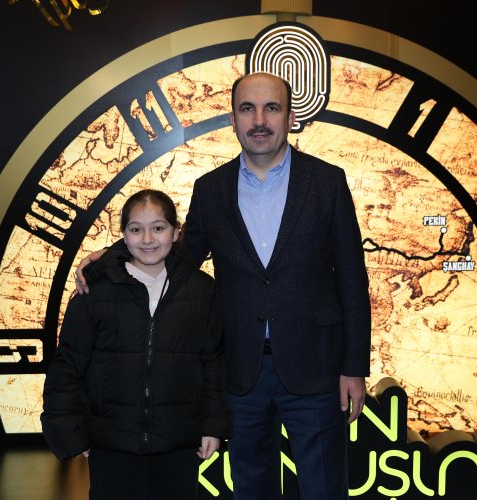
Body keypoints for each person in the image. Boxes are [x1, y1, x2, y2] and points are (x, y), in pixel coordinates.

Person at [75, 73, 371, 499]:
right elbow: (177, 256)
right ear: (233, 118)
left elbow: (352, 279)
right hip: (239, 370)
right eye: (247, 109)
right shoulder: (211, 189)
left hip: (318, 368)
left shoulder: (327, 182)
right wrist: (112, 255)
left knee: (324, 489)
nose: (259, 120)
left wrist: (354, 367)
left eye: (271, 108)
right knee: (250, 488)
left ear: (290, 117)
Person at [41, 189, 232, 500]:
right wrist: (70, 430)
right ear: (123, 234)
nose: (147, 239)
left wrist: (213, 426)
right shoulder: (95, 290)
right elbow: (68, 365)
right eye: (136, 229)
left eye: (158, 227)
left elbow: (214, 363)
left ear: (176, 232)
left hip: (178, 443)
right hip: (110, 443)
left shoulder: (202, 290)